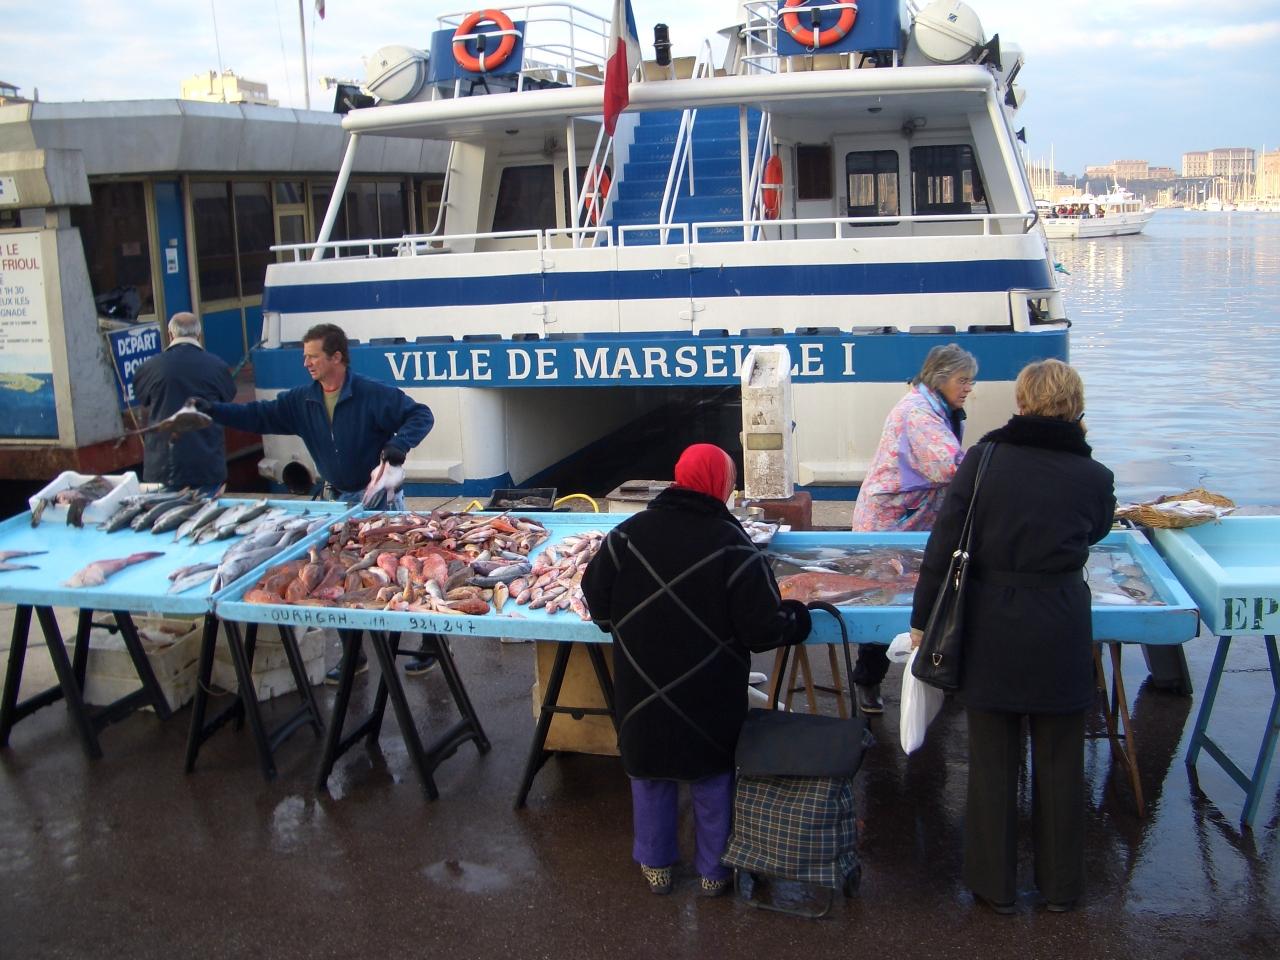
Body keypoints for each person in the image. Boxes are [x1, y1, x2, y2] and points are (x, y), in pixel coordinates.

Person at [909, 359, 1115, 915]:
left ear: (1021, 402)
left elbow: (944, 542)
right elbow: (1097, 529)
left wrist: (922, 618)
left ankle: (993, 887)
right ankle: (1061, 888)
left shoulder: (984, 460)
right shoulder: (1093, 475)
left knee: (993, 762)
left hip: (990, 623)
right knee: (1061, 762)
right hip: (1059, 622)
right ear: (1076, 407)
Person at [581, 443, 811, 897]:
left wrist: (625, 627)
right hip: (710, 690)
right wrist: (799, 618)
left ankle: (656, 866)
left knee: (649, 770)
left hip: (642, 686)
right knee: (711, 775)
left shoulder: (626, 535)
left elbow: (597, 601)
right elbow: (762, 630)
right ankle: (714, 871)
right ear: (720, 484)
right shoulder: (735, 545)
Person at [191, 322, 437, 680]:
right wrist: (212, 410)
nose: (306, 363)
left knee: (402, 571)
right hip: (337, 501)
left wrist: (399, 444)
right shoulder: (302, 401)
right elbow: (258, 414)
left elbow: (421, 414)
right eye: (305, 356)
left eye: (313, 356)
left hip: (379, 499)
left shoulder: (372, 394)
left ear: (336, 357)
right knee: (336, 576)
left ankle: (430, 644)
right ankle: (354, 656)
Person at [848, 343, 976, 715]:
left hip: (915, 518)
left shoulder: (938, 407)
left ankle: (933, 674)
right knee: (884, 596)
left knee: (927, 596)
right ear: (940, 378)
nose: (969, 387)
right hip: (890, 523)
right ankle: (868, 680)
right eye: (963, 380)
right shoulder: (918, 413)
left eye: (970, 380)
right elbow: (951, 467)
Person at [133, 312, 235, 492]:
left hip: (163, 467)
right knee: (207, 509)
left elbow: (143, 399)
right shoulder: (218, 367)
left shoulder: (149, 368)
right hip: (207, 465)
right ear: (199, 335)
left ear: (170, 335)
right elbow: (228, 397)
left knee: (162, 510)